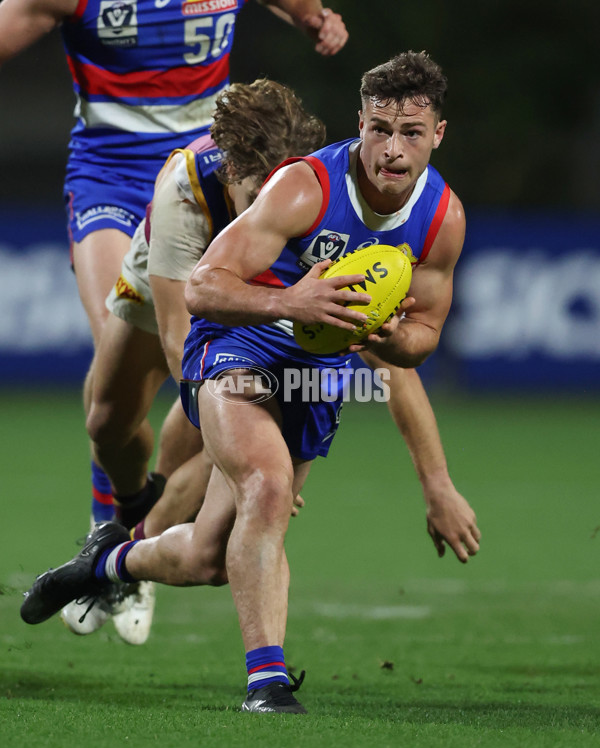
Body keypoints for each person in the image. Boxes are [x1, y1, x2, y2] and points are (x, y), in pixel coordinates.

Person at [21, 52, 481, 714]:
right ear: (359, 124)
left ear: (439, 134)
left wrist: (387, 337)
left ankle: (106, 564)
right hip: (237, 340)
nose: (392, 147)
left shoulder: (443, 220)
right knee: (263, 485)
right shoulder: (305, 187)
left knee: (210, 558)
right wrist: (291, 304)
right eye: (379, 128)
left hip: (316, 375)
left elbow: (423, 337)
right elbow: (206, 286)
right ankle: (266, 682)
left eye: (411, 132)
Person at [0, 0, 348, 524]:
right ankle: (125, 505)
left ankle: (133, 533)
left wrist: (312, 15)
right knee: (116, 363)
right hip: (111, 174)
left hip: (219, 171)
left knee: (206, 358)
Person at [61, 77, 327, 642]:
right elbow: (182, 341)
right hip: (170, 273)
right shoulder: (185, 185)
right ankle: (122, 514)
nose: (267, 209)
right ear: (231, 173)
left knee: (223, 437)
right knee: (106, 421)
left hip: (258, 302)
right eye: (255, 196)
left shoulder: (312, 185)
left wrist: (253, 451)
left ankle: (134, 556)